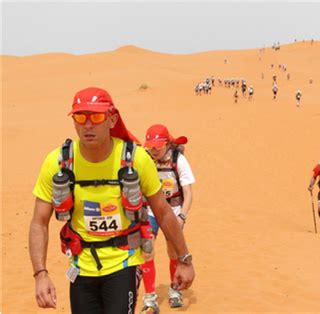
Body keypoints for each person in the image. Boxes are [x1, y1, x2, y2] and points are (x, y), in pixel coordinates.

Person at [28, 87, 195, 314]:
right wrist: (40, 274)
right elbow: (39, 221)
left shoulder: (136, 159)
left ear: (112, 119)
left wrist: (184, 259)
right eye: (80, 116)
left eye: (96, 117)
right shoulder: (57, 163)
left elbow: (164, 213)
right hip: (81, 266)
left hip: (123, 262)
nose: (88, 124)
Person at [142, 124, 195, 310]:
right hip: (150, 212)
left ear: (167, 143)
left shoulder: (178, 160)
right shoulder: (145, 159)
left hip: (173, 212)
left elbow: (188, 193)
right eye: (150, 145)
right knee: (146, 251)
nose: (154, 149)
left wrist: (182, 215)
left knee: (173, 253)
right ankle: (149, 296)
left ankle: (175, 290)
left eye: (157, 145)